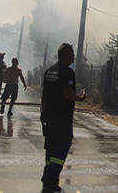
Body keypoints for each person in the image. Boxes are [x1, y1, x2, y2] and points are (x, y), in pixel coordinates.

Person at [40, 43, 86, 193]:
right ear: (65, 55)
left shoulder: (49, 72)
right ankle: (50, 177)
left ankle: (49, 180)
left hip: (50, 117)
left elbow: (44, 95)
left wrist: (44, 114)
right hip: (63, 118)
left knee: (51, 148)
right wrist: (81, 98)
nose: (73, 56)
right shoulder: (67, 72)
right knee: (62, 147)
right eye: (72, 53)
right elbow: (67, 93)